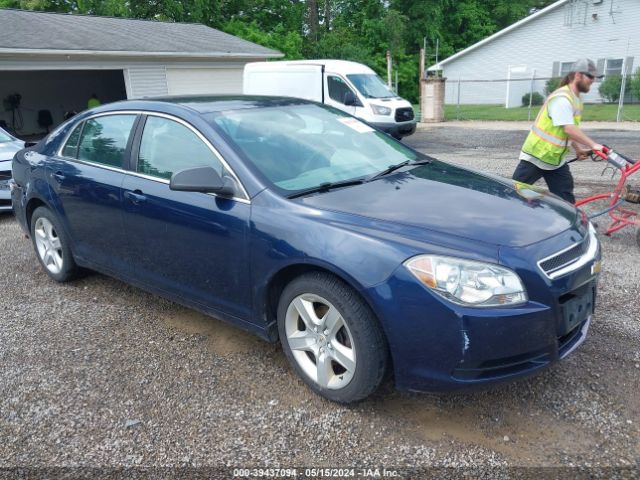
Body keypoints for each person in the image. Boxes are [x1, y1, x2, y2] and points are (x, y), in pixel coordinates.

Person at [512, 58, 604, 203]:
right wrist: (593, 145)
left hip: (555, 161)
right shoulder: (562, 98)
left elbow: (565, 130)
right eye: (590, 76)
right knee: (514, 194)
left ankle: (571, 225)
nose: (593, 80)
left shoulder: (576, 100)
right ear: (578, 75)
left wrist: (578, 149)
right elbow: (568, 128)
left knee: (566, 201)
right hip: (536, 156)